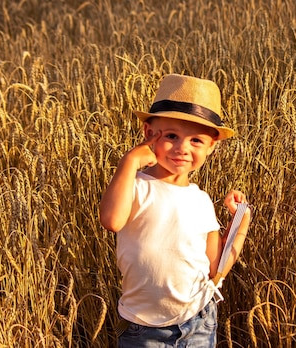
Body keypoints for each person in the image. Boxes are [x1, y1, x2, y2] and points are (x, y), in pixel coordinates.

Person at [99, 73, 252, 347]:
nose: (182, 148)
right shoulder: (135, 186)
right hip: (143, 330)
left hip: (198, 322)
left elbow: (215, 270)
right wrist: (130, 160)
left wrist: (240, 223)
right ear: (148, 134)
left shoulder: (201, 201)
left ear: (211, 147)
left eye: (196, 141)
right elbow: (111, 220)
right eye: (171, 136)